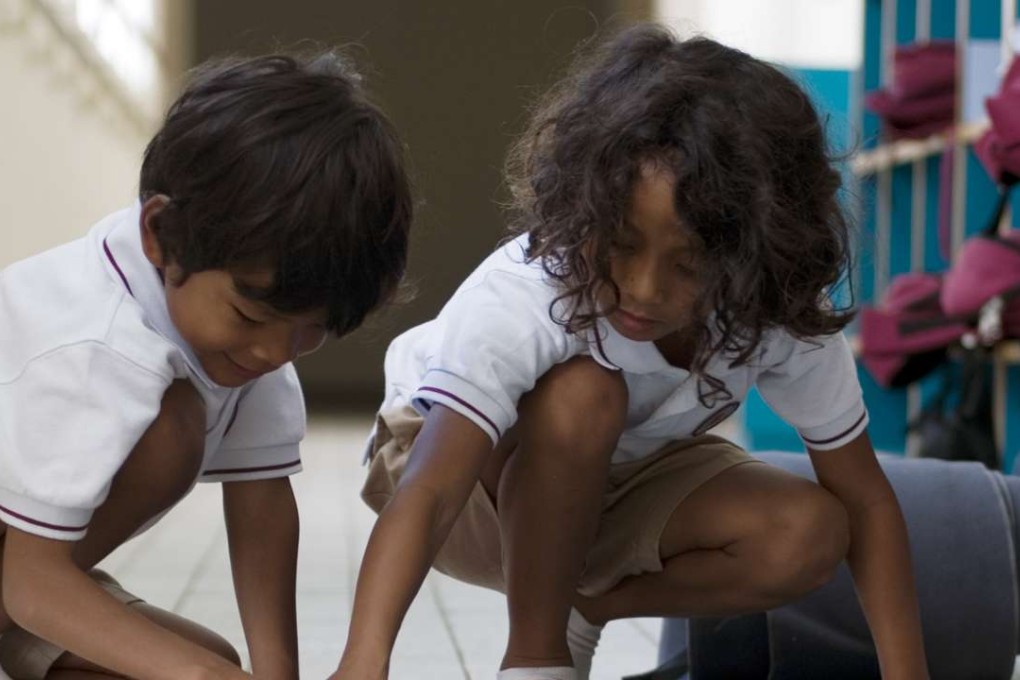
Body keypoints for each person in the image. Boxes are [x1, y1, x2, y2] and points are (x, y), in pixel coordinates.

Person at [333, 24, 928, 680]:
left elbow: (867, 501)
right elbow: (431, 489)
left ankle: (585, 606)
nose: (643, 289)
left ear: (754, 253)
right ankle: (537, 658)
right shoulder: (532, 290)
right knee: (583, 393)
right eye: (619, 244)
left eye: (689, 264)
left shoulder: (772, 309)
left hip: (619, 482)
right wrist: (363, 663)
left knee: (809, 530)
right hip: (452, 479)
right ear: (585, 210)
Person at [0, 50, 411, 679]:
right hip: (24, 578)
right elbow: (30, 582)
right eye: (249, 315)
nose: (274, 353)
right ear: (160, 234)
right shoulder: (98, 342)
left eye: (312, 331)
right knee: (171, 431)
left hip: (22, 576)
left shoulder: (242, 335)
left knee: (208, 660)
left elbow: (261, 505)